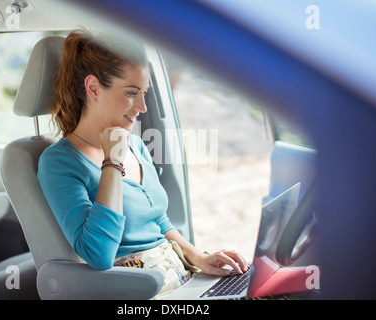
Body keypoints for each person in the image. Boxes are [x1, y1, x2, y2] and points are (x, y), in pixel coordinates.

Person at [37, 29, 249, 298]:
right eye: (131, 93)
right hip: (139, 291)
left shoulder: (135, 144)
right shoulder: (60, 161)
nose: (142, 107)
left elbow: (157, 220)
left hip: (181, 278)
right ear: (93, 88)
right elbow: (98, 254)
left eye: (144, 93)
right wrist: (111, 162)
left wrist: (199, 258)